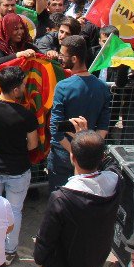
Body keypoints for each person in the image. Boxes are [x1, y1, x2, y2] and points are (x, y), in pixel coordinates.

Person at [35, 124, 122, 267]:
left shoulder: (61, 198)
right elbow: (112, 164)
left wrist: (40, 261)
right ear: (101, 157)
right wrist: (88, 135)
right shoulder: (115, 182)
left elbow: (45, 241)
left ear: (72, 157)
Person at [0, 66, 38, 264]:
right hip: (18, 170)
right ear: (15, 90)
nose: (24, 87)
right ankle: (9, 251)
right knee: (14, 211)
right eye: (22, 85)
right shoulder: (27, 115)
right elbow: (33, 144)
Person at [48, 35, 112, 192]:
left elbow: (55, 129)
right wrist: (87, 150)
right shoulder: (102, 87)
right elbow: (103, 127)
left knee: (60, 199)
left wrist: (74, 152)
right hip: (90, 157)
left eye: (63, 55)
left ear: (75, 58)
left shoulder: (63, 87)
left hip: (64, 155)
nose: (60, 58)